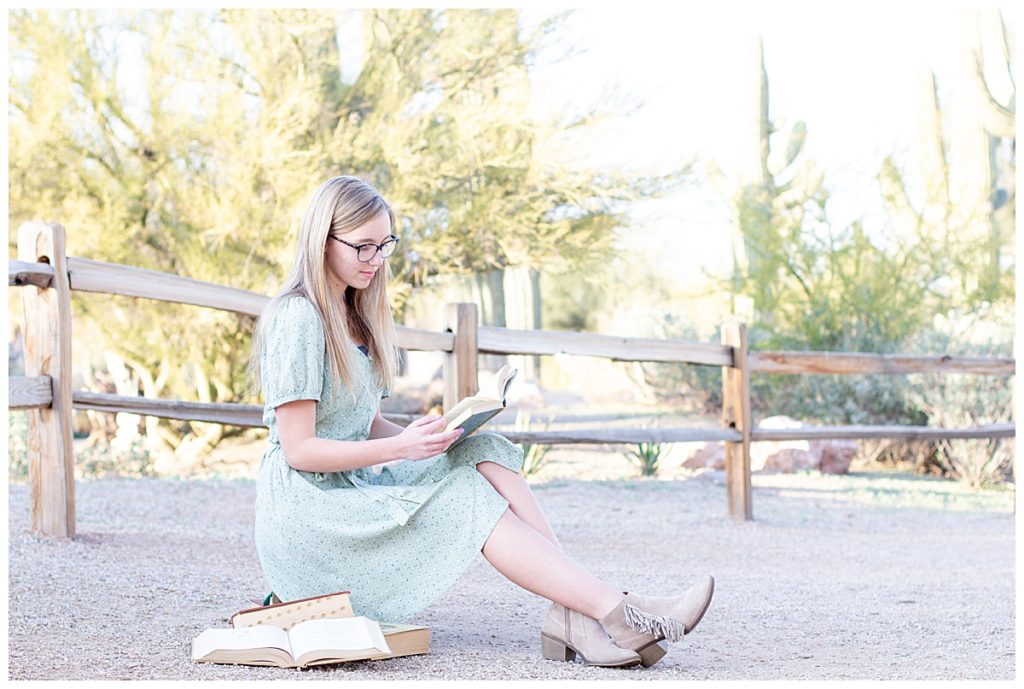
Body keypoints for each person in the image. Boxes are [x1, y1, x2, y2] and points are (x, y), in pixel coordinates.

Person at [246, 175, 715, 669]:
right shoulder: (298, 317)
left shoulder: (358, 315)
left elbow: (366, 425)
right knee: (466, 496)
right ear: (323, 240)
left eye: (384, 245)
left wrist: (432, 434)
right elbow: (300, 450)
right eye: (361, 247)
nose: (375, 261)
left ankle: (575, 617)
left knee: (481, 448)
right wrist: (402, 448)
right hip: (309, 508)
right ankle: (617, 612)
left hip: (350, 481)